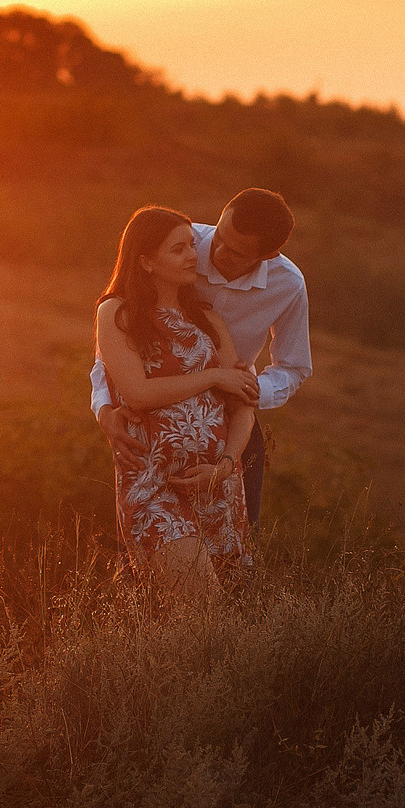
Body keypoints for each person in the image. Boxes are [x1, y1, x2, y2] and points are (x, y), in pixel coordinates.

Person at [90, 188, 310, 531]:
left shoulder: (288, 284)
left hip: (234, 426)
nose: (216, 251)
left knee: (234, 550)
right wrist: (103, 407)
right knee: (153, 549)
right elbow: (116, 337)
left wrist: (246, 391)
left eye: (236, 253)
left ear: (269, 254)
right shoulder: (180, 247)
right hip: (155, 423)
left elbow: (293, 366)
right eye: (219, 237)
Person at [95, 206, 260, 595]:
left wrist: (224, 466)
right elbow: (137, 393)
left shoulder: (207, 319)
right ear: (145, 261)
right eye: (177, 249)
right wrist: (216, 375)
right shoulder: (117, 314)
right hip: (156, 486)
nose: (192, 256)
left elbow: (242, 406)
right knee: (208, 610)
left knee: (213, 621)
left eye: (191, 245)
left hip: (216, 489)